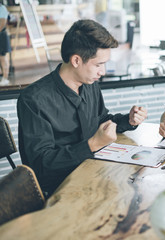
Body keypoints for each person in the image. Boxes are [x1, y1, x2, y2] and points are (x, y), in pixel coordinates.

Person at [17, 19, 147, 198]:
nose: (102, 72)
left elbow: (100, 119)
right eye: (98, 64)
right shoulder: (34, 99)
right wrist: (93, 144)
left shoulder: (89, 83)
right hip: (58, 190)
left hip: (95, 173)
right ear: (76, 60)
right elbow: (42, 164)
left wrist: (128, 120)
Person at [0, 1, 11, 86]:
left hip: (2, 35)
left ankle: (5, 78)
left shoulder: (2, 8)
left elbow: (2, 23)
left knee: (3, 57)